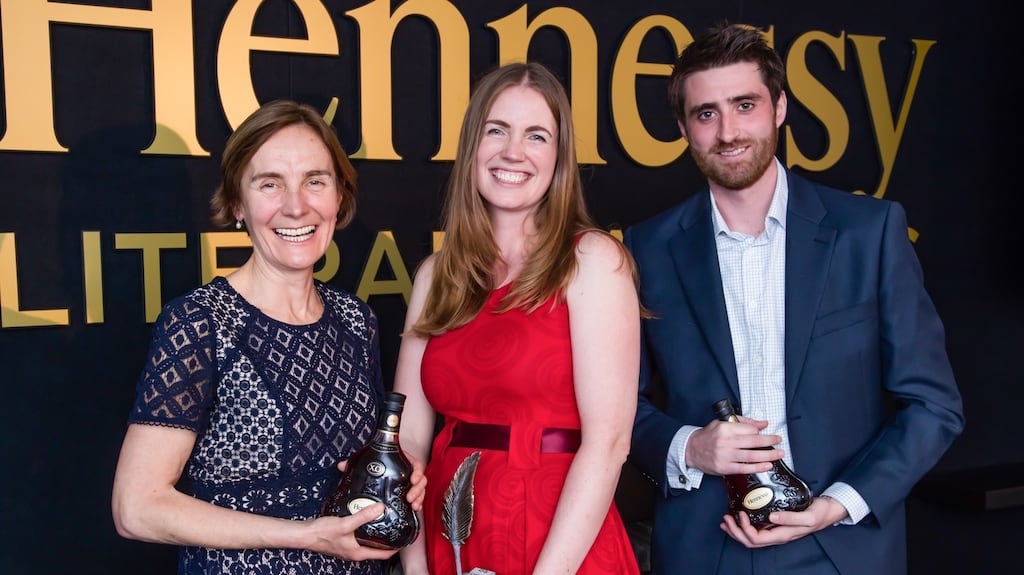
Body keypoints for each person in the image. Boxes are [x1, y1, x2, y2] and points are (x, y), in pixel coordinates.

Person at [623, 23, 964, 575]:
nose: (728, 131)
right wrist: (688, 448)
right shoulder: (647, 248)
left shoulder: (869, 232)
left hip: (840, 547)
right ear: (684, 128)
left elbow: (933, 406)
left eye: (745, 104)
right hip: (705, 551)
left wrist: (837, 505)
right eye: (706, 113)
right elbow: (618, 409)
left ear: (779, 107)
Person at [111, 99, 426, 575]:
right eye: (270, 184)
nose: (296, 206)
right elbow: (136, 508)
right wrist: (304, 536)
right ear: (238, 203)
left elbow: (355, 471)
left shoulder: (355, 320)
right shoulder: (200, 322)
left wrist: (395, 482)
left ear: (339, 197)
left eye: (314, 181)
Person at [392, 62, 643, 575]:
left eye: (537, 136)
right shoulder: (434, 276)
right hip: (448, 530)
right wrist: (415, 563)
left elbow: (609, 443)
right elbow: (409, 440)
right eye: (497, 130)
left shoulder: (593, 261)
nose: (514, 152)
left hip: (560, 542)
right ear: (472, 147)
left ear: (559, 157)